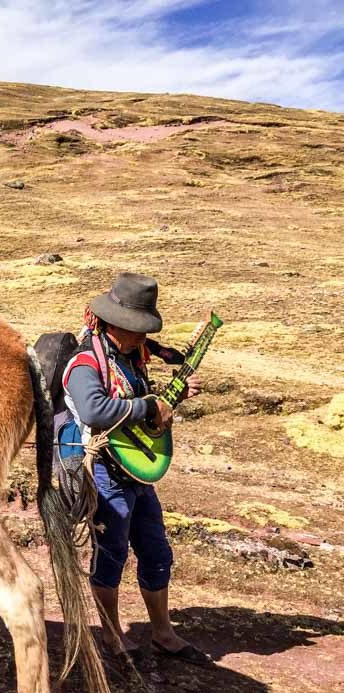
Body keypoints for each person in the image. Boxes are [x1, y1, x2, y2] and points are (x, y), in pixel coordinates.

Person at [62, 273, 209, 667]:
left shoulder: (130, 356)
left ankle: (163, 633)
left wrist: (169, 401)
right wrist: (149, 407)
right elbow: (94, 410)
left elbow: (141, 407)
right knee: (111, 553)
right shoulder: (85, 363)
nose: (143, 338)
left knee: (157, 550)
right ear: (114, 324)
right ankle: (111, 635)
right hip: (106, 472)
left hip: (137, 473)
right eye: (137, 330)